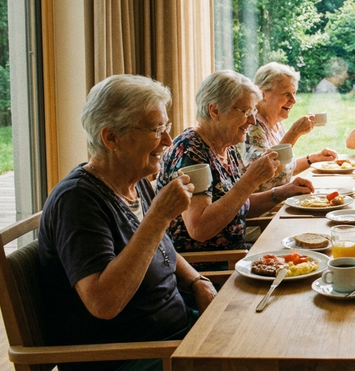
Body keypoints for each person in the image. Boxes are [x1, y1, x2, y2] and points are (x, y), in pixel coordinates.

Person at [39, 75, 216, 371]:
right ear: (111, 138)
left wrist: (197, 281)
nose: (167, 141)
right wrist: (158, 217)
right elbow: (103, 303)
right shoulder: (77, 200)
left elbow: (161, 249)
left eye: (166, 128)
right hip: (130, 356)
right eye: (156, 130)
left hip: (175, 335)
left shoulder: (134, 181)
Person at [157, 70, 313, 253]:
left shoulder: (226, 146)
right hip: (211, 264)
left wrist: (284, 192)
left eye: (253, 111)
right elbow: (199, 228)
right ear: (215, 111)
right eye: (246, 112)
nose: (252, 120)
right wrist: (250, 181)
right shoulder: (190, 151)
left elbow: (238, 204)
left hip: (236, 254)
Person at [243, 62, 337, 190]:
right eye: (287, 94)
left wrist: (313, 158)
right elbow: (265, 178)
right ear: (263, 94)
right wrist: (294, 133)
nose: (294, 100)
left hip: (282, 197)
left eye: (294, 93)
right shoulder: (252, 126)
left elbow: (283, 171)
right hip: (267, 202)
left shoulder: (276, 123)